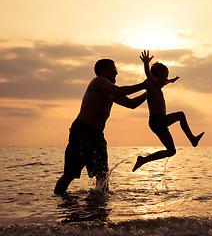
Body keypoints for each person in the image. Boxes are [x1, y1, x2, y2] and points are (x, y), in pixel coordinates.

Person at [54, 59, 148, 195]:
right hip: (82, 130)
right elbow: (120, 90)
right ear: (101, 70)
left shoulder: (110, 91)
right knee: (71, 173)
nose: (116, 72)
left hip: (96, 134)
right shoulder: (99, 81)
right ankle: (58, 199)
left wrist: (148, 91)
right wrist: (144, 85)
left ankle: (99, 207)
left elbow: (132, 104)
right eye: (113, 69)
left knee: (102, 174)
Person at [132, 50, 204, 172]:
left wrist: (171, 80)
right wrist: (146, 64)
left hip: (160, 120)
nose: (166, 78)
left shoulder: (159, 85)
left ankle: (192, 139)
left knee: (180, 119)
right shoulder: (153, 83)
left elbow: (165, 81)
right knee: (172, 149)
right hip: (157, 120)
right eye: (165, 74)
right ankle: (143, 160)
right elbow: (148, 74)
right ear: (158, 75)